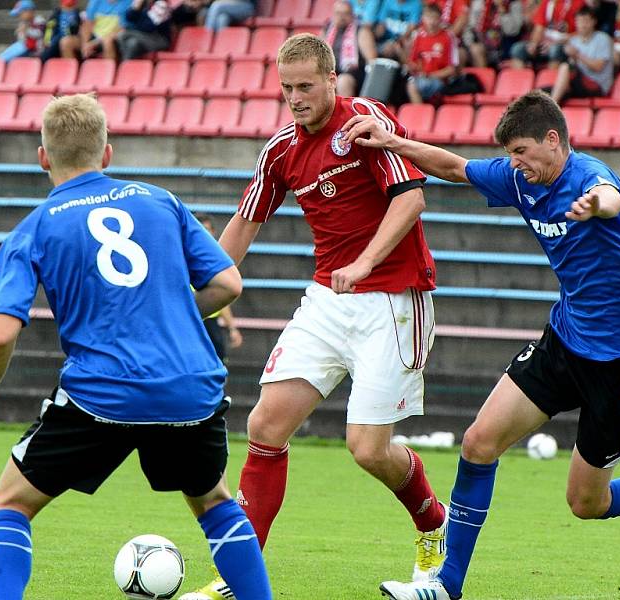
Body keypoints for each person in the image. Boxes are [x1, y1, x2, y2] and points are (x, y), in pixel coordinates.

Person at [341, 90, 620, 600]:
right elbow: (454, 167)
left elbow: (614, 198)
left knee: (587, 503)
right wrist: (391, 140)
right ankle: (447, 585)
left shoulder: (589, 179)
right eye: (510, 154)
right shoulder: (521, 180)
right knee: (478, 442)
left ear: (552, 140)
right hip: (562, 343)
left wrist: (594, 206)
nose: (515, 164)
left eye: (521, 151)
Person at [0, 93, 272, 600]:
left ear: (43, 157)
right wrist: (168, 319)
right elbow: (228, 284)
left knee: (10, 505)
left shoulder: (35, 226)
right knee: (213, 501)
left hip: (101, 393)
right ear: (107, 153)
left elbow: (0, 332)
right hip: (190, 386)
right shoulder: (160, 200)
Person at [183, 32, 448, 600]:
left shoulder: (366, 119)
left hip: (395, 299)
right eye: (287, 88)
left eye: (306, 86)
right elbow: (244, 226)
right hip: (328, 300)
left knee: (368, 450)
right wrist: (194, 294)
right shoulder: (280, 150)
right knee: (265, 426)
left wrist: (365, 261)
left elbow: (411, 200)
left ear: (333, 79)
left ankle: (432, 522)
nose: (296, 97)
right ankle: (240, 578)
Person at [195, 212, 244, 362]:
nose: (204, 233)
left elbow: (221, 295)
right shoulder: (185, 256)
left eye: (207, 229)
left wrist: (231, 327)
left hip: (210, 321)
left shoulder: (216, 258)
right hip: (192, 319)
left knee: (218, 365)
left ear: (213, 232)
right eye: (200, 229)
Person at [548, 5, 613, 104]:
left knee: (566, 67)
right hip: (577, 83)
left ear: (594, 22)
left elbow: (598, 67)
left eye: (586, 21)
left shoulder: (603, 39)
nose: (583, 25)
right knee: (540, 93)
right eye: (579, 21)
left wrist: (577, 54)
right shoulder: (574, 40)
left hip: (597, 85)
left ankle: (553, 107)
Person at [405, 3, 460, 104]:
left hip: (440, 81)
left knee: (412, 86)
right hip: (421, 79)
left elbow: (451, 70)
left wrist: (430, 75)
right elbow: (412, 62)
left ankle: (421, 116)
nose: (431, 22)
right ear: (423, 18)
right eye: (428, 17)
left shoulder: (448, 37)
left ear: (440, 19)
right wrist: (412, 68)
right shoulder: (419, 36)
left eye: (434, 18)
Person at [509, 0, 586, 69]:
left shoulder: (579, 3)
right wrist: (534, 43)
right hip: (545, 43)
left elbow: (582, 33)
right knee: (518, 49)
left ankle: (550, 82)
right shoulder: (547, 2)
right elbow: (539, 28)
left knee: (555, 49)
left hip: (566, 44)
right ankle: (521, 83)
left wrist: (555, 43)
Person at [324, 0, 367, 97]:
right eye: (338, 13)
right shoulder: (327, 29)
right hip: (334, 71)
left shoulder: (361, 30)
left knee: (343, 80)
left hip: (356, 73)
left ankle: (347, 112)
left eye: (346, 13)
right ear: (333, 15)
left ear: (352, 15)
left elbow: (372, 61)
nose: (342, 17)